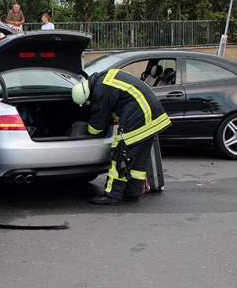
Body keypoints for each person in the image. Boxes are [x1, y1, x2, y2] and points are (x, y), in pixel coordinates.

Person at [72, 68, 171, 206]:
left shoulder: (101, 89)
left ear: (87, 94)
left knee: (121, 155)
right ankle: (132, 193)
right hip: (153, 117)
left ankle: (112, 194)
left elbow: (98, 122)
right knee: (138, 160)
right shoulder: (105, 77)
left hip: (138, 116)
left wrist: (87, 132)